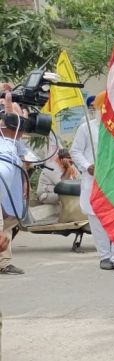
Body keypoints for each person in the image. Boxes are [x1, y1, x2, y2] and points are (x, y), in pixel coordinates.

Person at [70, 91, 114, 273]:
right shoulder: (87, 128)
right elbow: (75, 151)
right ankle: (104, 256)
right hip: (94, 182)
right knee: (97, 221)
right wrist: (87, 165)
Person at [0, 86, 29, 275]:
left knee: (9, 220)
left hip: (11, 184)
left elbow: (23, 158)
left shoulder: (13, 139)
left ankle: (4, 263)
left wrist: (24, 182)